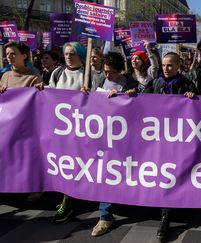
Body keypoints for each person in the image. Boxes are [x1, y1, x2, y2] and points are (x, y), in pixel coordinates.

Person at [36, 42, 88, 223]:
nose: (68, 56)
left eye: (72, 53)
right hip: (62, 127)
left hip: (82, 128)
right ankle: (67, 198)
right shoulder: (57, 73)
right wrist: (43, 90)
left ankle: (75, 197)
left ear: (81, 55)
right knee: (66, 164)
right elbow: (51, 96)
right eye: (66, 53)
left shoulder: (88, 74)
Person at [149, 52, 197, 242]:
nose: (166, 69)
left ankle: (168, 213)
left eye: (170, 65)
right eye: (163, 65)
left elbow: (199, 108)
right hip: (157, 137)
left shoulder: (186, 84)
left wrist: (193, 97)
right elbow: (140, 103)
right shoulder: (155, 83)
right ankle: (165, 214)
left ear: (178, 66)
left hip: (179, 138)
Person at [90, 51, 138, 237]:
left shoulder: (129, 83)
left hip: (125, 137)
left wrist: (129, 96)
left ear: (119, 70)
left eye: (110, 72)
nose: (107, 75)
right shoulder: (102, 81)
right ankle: (105, 215)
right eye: (105, 71)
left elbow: (139, 105)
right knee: (106, 172)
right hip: (105, 136)